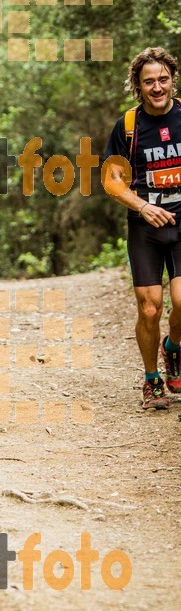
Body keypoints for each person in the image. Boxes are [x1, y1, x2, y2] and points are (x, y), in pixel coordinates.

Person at [104, 46, 181, 409]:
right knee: (149, 308)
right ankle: (152, 380)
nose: (157, 87)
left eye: (162, 79)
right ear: (138, 85)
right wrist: (142, 205)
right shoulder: (129, 126)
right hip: (145, 226)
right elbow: (111, 179)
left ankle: (174, 349)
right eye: (149, 81)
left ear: (172, 79)